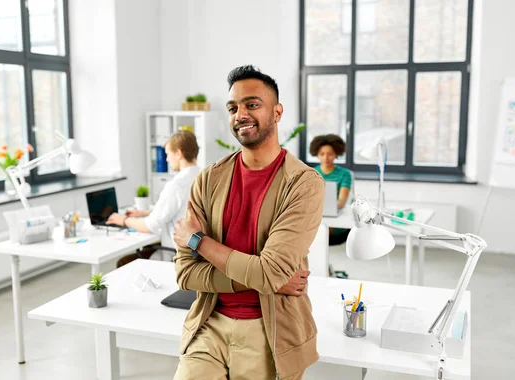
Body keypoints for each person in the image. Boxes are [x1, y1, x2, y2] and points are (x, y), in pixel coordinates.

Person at [172, 65, 324, 380]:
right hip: (209, 323)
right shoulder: (209, 179)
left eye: (252, 104)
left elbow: (269, 272)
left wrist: (199, 241)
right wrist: (264, 279)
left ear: (277, 112)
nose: (240, 114)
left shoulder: (303, 183)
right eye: (233, 107)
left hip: (270, 332)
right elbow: (185, 272)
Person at [107, 130, 200, 266]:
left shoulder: (176, 185)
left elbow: (148, 226)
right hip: (197, 250)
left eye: (168, 154)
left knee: (124, 262)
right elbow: (182, 210)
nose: (167, 159)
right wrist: (146, 213)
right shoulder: (202, 176)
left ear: (178, 154)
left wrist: (124, 220)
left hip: (176, 254)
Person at [309, 134, 353, 246]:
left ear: (336, 154)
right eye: (322, 154)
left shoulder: (344, 174)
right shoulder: (310, 173)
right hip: (314, 215)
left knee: (319, 231)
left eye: (330, 154)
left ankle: (322, 263)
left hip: (335, 217)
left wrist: (330, 208)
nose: (326, 158)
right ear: (317, 155)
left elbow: (342, 200)